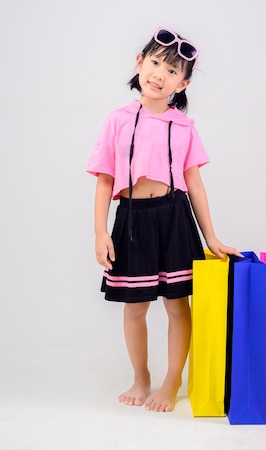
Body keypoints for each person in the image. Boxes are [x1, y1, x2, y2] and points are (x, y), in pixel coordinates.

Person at [87, 28, 242, 413]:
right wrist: (100, 232)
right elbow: (106, 179)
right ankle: (141, 378)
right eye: (155, 62)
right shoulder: (118, 120)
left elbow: (195, 185)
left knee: (177, 304)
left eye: (172, 70)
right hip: (133, 219)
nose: (160, 74)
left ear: (183, 82)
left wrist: (212, 237)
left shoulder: (184, 126)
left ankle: (172, 381)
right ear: (140, 63)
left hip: (174, 217)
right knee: (135, 305)